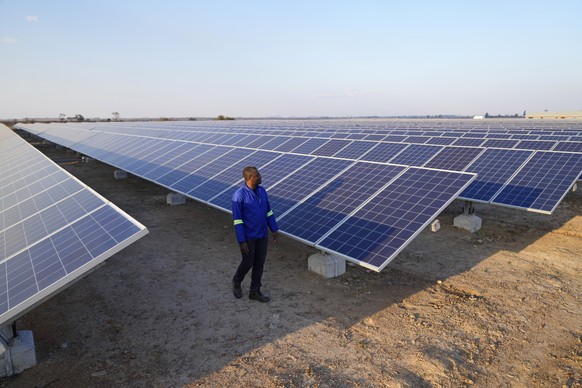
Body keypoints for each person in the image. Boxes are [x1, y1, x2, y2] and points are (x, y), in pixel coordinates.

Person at [231, 166, 279, 302]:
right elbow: (238, 220)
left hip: (262, 234)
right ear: (249, 178)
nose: (260, 176)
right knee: (248, 262)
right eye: (257, 175)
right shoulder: (239, 195)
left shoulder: (262, 191)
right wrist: (242, 241)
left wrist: (274, 229)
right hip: (249, 236)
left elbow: (268, 211)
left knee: (259, 263)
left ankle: (255, 291)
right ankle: (236, 281)